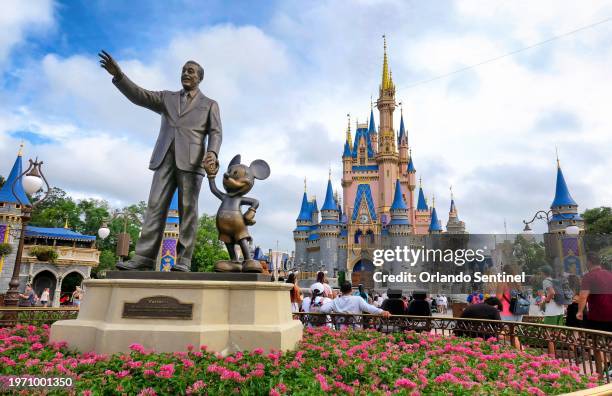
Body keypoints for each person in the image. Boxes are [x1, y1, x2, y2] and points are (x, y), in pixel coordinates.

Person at [99, 51, 222, 272]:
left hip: (193, 162)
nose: (186, 73)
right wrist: (119, 76)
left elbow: (216, 132)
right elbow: (140, 96)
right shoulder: (167, 98)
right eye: (183, 70)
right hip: (164, 158)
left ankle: (183, 260)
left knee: (188, 211)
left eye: (191, 71)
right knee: (155, 207)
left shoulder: (209, 104)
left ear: (200, 78)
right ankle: (144, 258)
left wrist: (212, 153)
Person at [321, 281, 390, 328]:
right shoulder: (357, 299)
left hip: (340, 332)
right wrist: (382, 311)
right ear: (351, 290)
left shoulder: (335, 301)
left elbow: (323, 309)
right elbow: (369, 308)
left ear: (341, 290)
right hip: (355, 331)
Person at [576, 252, 612, 332]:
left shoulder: (588, 276)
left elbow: (583, 296)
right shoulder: (610, 274)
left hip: (598, 316)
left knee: (597, 341)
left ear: (589, 262)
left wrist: (580, 311)